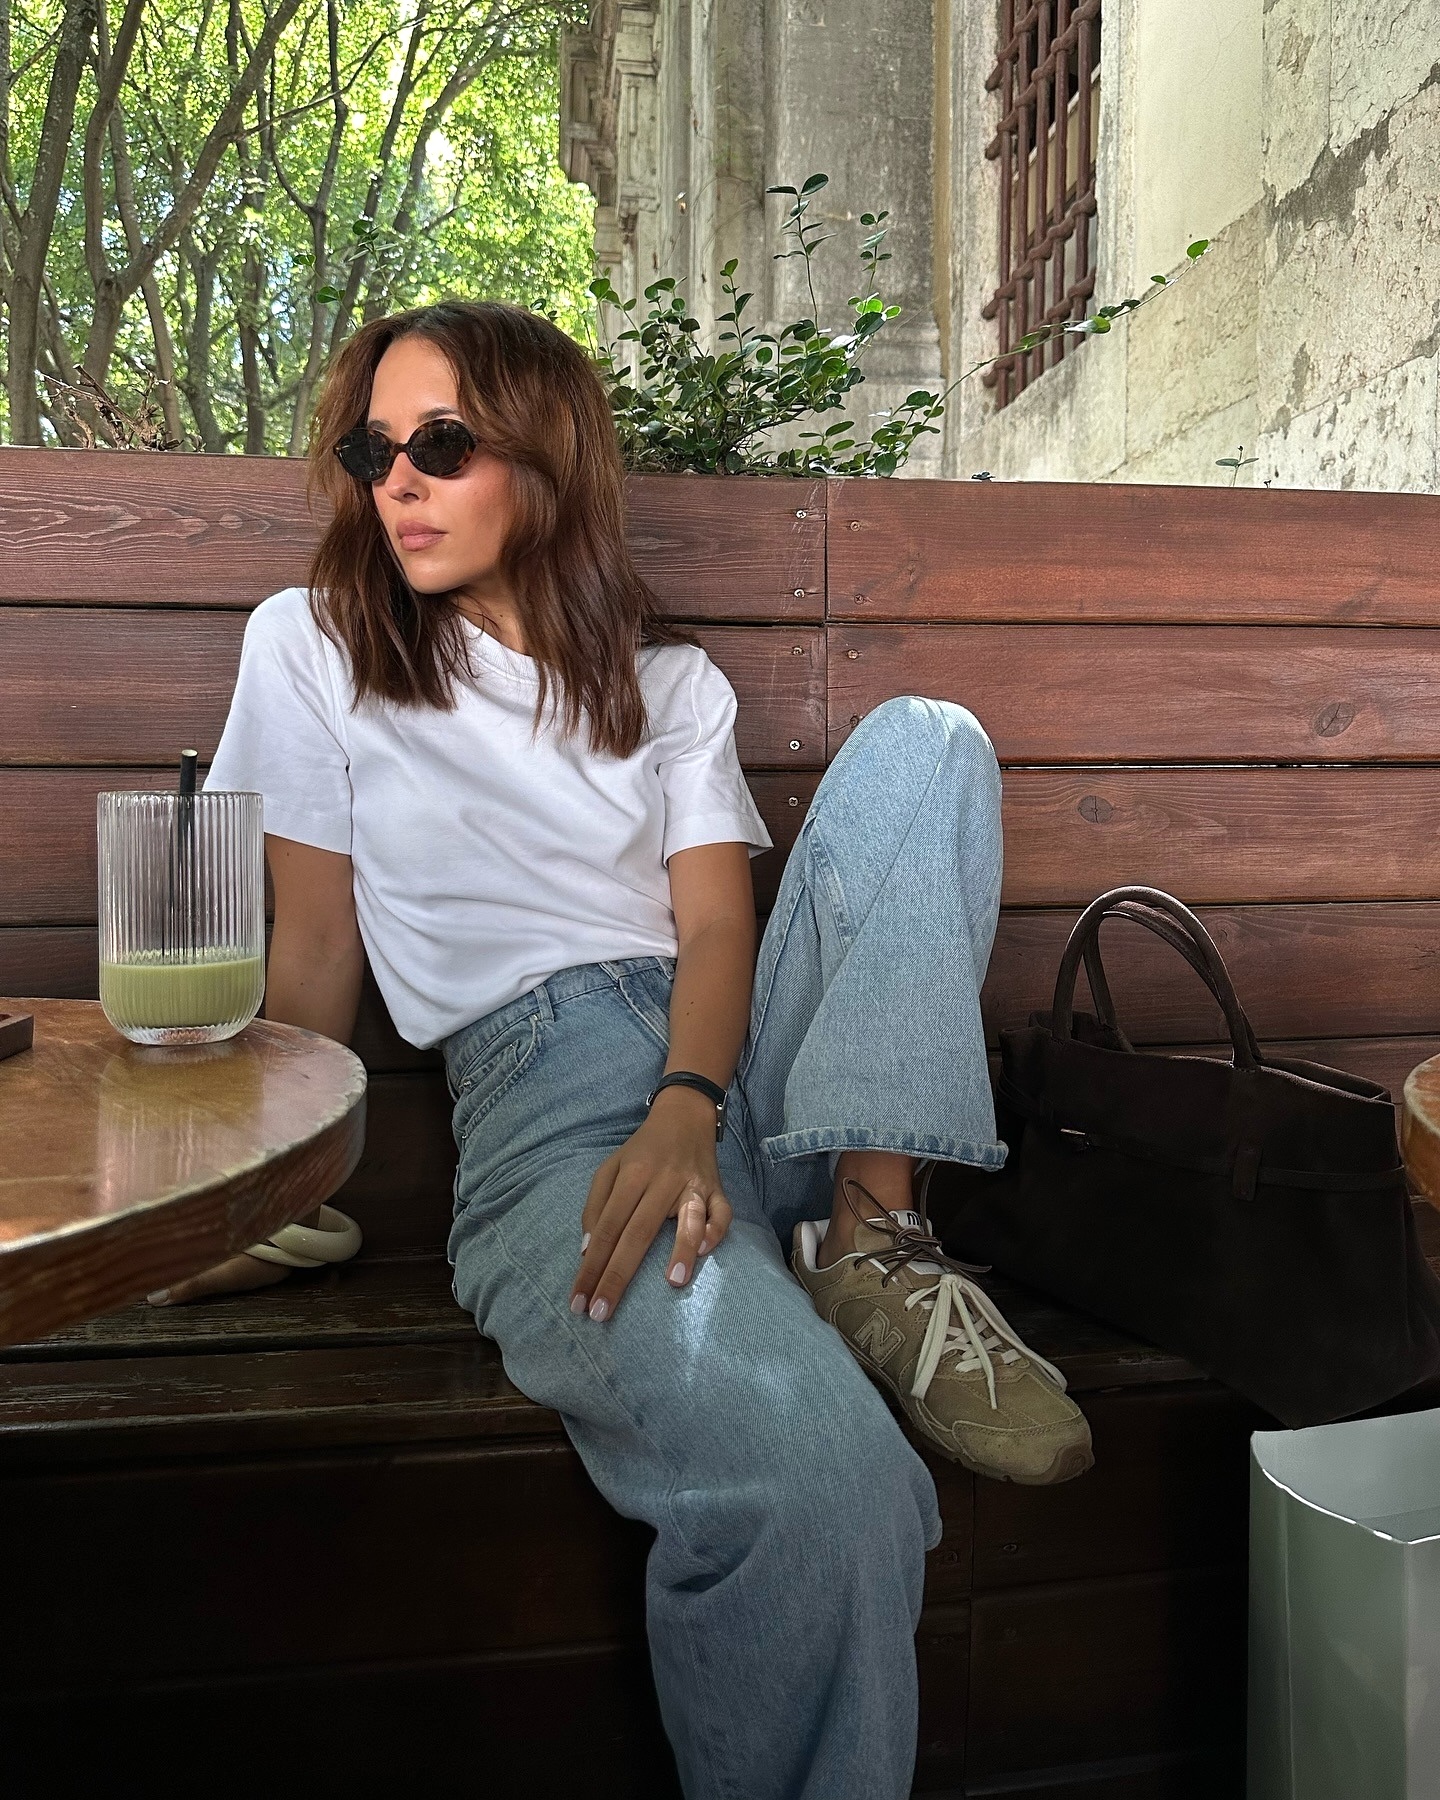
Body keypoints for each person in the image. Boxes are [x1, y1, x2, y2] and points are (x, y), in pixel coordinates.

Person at [175, 299, 1092, 1800]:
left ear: (545, 458)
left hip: (751, 1080)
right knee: (831, 1487)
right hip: (558, 1117)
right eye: (370, 450)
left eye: (440, 444)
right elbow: (318, 945)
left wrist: (691, 1100)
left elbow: (719, 930)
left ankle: (872, 1235)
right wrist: (245, 1184)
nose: (395, 482)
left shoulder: (669, 686)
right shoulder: (317, 646)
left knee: (930, 738)